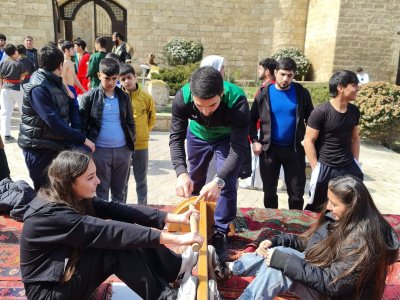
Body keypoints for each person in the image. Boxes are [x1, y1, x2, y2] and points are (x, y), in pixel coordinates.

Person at [20, 150, 204, 300]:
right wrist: (177, 239)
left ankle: (175, 267)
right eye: (91, 177)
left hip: (62, 276)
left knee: (123, 226)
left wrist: (174, 218)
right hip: (48, 294)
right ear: (70, 182)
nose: (98, 181)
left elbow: (119, 210)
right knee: (113, 248)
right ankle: (166, 297)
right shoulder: (52, 215)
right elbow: (110, 232)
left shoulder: (71, 195)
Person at [227, 175, 399, 300]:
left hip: (337, 293)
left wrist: (284, 262)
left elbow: (333, 284)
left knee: (278, 270)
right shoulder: (343, 218)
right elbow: (311, 243)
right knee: (279, 252)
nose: (328, 207)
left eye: (334, 203)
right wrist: (276, 240)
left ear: (352, 207)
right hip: (323, 271)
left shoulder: (363, 243)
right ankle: (228, 268)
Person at [170, 66, 250, 259]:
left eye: (212, 105)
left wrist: (219, 180)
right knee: (194, 179)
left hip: (226, 139)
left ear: (221, 94)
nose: (205, 111)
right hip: (197, 136)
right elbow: (176, 137)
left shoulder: (237, 100)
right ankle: (196, 219)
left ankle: (221, 231)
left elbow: (238, 149)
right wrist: (181, 172)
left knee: (226, 183)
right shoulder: (182, 97)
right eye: (200, 106)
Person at [17, 44, 95, 191]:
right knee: (45, 192)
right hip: (39, 148)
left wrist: (77, 132)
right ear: (60, 65)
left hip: (54, 145)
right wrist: (82, 139)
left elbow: (72, 105)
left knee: (60, 190)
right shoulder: (38, 87)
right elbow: (54, 122)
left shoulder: (57, 82)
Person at [250, 57, 313, 210]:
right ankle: (273, 223)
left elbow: (311, 118)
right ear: (275, 72)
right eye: (282, 74)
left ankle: (297, 225)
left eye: (290, 75)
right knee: (269, 192)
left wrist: (309, 139)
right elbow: (251, 120)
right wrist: (255, 140)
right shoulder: (264, 94)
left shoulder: (301, 93)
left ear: (294, 75)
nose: (285, 79)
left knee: (297, 194)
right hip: (269, 150)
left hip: (295, 150)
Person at [304, 70, 363, 212]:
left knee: (352, 206)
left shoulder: (354, 111)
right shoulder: (320, 112)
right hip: (325, 167)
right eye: (354, 85)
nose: (358, 89)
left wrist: (355, 161)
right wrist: (316, 168)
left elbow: (355, 138)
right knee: (317, 207)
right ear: (340, 88)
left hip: (348, 166)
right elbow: (308, 141)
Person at [80, 58, 135, 203]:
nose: (111, 82)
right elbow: (82, 126)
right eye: (107, 78)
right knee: (100, 189)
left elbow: (130, 122)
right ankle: (103, 223)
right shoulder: (89, 97)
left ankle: (120, 222)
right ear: (99, 76)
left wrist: (129, 147)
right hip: (99, 151)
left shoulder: (124, 97)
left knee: (120, 190)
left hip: (122, 151)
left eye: (114, 79)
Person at [119, 63, 156, 205]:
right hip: (122, 146)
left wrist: (143, 133)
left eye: (129, 77)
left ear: (135, 77)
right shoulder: (118, 97)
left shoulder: (146, 97)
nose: (127, 81)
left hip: (141, 145)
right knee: (123, 181)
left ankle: (143, 208)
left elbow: (151, 119)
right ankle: (122, 208)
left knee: (141, 180)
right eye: (122, 79)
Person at [0, 44, 27, 143]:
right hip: (17, 88)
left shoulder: (2, 63)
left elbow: (1, 77)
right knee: (23, 111)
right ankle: (25, 133)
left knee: (5, 112)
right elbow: (22, 77)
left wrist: (1, 87)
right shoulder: (18, 63)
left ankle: (6, 135)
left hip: (4, 88)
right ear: (15, 52)